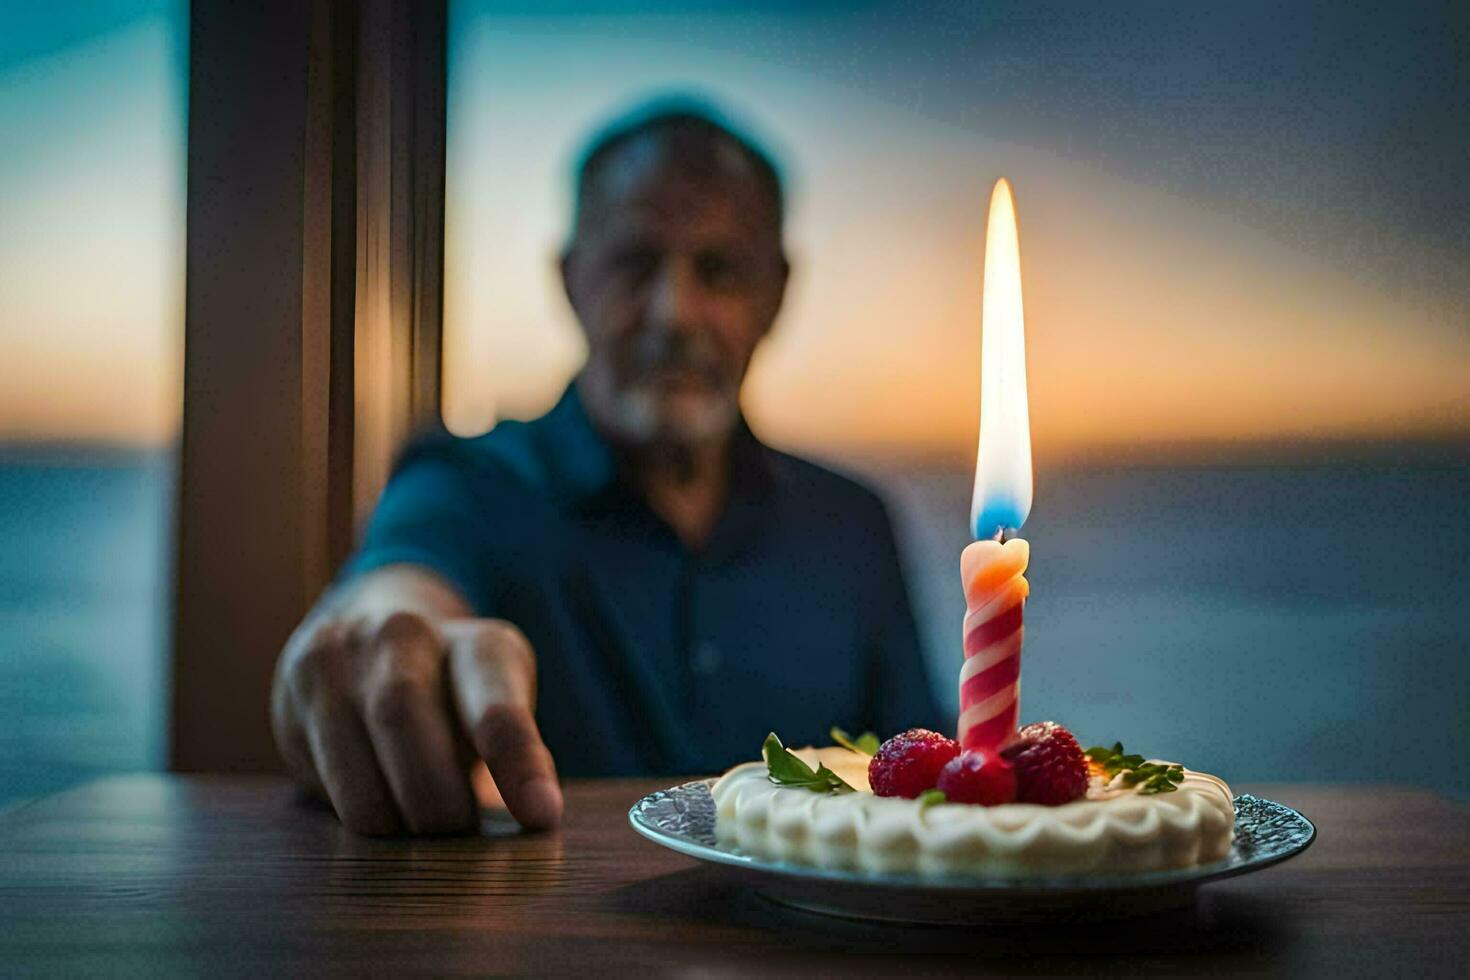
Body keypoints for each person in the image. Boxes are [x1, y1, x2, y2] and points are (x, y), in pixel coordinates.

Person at [270, 99, 939, 836]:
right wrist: (377, 650)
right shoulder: (468, 486)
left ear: (776, 294)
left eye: (718, 270)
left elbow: (923, 784)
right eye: (634, 263)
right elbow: (392, 602)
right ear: (570, 277)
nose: (675, 313)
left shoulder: (854, 528)